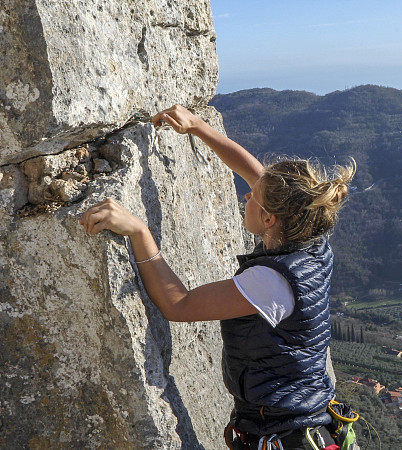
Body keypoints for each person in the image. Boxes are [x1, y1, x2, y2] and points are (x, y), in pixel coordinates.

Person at [79, 104, 356, 449]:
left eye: (252, 198)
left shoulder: (272, 282)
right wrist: (197, 127)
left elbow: (179, 305)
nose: (246, 195)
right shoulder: (308, 233)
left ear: (270, 220)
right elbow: (253, 172)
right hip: (306, 416)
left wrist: (138, 231)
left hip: (285, 432)